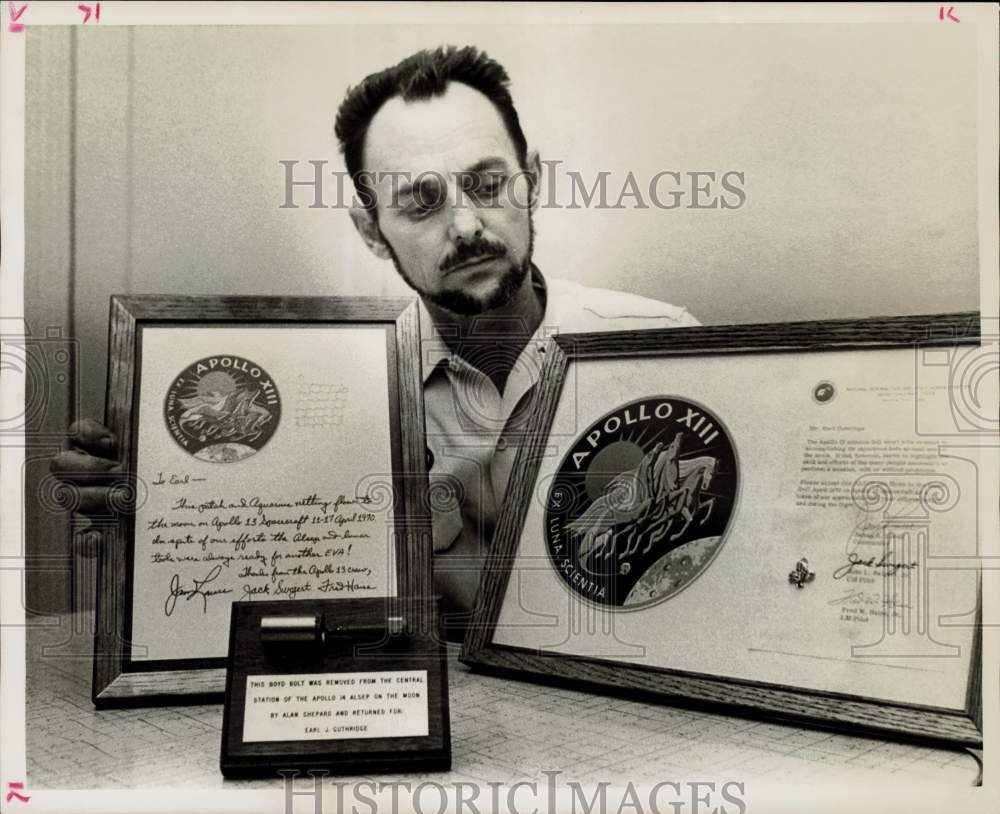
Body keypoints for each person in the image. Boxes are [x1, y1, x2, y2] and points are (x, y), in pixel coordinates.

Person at [50, 45, 698, 639]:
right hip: (425, 726)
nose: (468, 225)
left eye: (489, 183)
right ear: (369, 229)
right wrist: (163, 524)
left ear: (533, 178)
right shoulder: (319, 399)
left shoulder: (671, 352)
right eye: (421, 203)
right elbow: (261, 587)